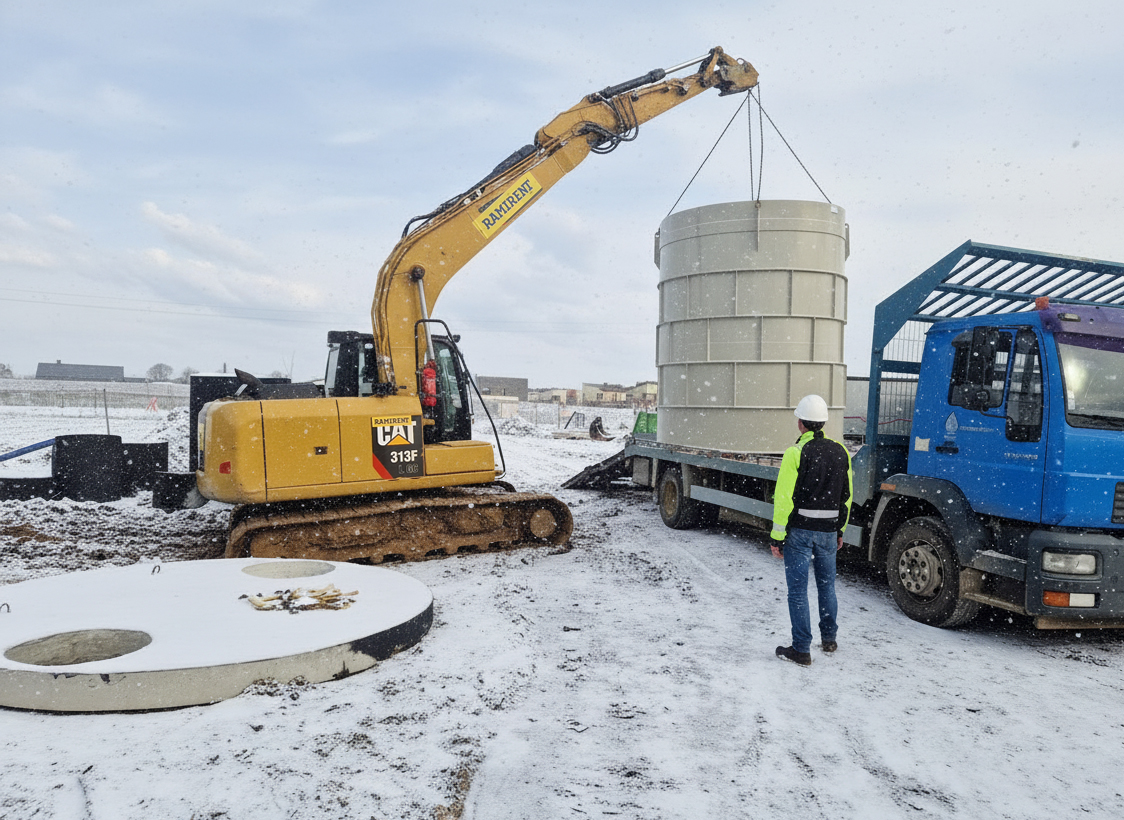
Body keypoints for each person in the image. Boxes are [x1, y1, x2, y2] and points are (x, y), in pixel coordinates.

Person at [771, 394, 852, 666]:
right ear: (824, 422)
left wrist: (777, 537)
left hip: (801, 532)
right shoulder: (841, 452)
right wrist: (840, 530)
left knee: (797, 590)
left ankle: (801, 649)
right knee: (827, 586)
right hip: (829, 532)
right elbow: (846, 497)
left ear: (801, 424)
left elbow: (784, 499)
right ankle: (829, 639)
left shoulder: (795, 453)